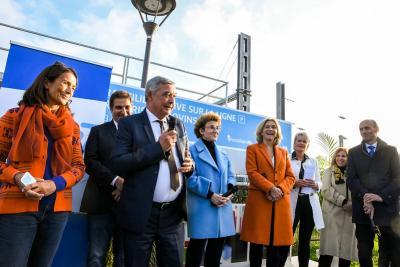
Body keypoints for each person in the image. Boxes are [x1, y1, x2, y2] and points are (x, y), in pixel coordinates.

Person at [0, 61, 85, 267]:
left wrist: (53, 184)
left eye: (73, 87)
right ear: (47, 83)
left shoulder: (72, 127)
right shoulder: (13, 116)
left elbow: (78, 168)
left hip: (57, 211)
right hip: (17, 207)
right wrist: (17, 177)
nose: (69, 90)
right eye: (65, 83)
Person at [110, 76, 193, 267]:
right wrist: (157, 148)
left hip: (173, 215)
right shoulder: (129, 124)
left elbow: (186, 156)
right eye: (166, 95)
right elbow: (118, 162)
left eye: (174, 95)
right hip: (141, 214)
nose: (172, 100)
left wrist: (190, 165)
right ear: (149, 96)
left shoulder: (178, 124)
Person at [80, 90, 132, 267]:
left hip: (128, 205)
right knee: (96, 255)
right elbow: (90, 162)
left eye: (127, 107)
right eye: (118, 107)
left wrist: (126, 186)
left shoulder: (140, 136)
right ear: (111, 109)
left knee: (124, 257)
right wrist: (116, 181)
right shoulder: (98, 131)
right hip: (101, 203)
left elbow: (143, 165)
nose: (123, 111)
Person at [240, 118, 296, 267]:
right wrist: (271, 188)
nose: (270, 129)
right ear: (261, 131)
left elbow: (290, 177)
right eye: (267, 127)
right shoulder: (252, 149)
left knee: (276, 246)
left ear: (277, 132)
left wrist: (280, 190)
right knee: (257, 244)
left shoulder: (283, 152)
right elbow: (252, 173)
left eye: (274, 127)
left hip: (280, 202)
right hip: (260, 201)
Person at [185, 112, 236, 267]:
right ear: (201, 130)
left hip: (222, 207)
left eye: (218, 128)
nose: (216, 131)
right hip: (202, 207)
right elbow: (190, 178)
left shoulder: (224, 154)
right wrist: (211, 195)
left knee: (215, 254)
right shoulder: (191, 151)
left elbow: (231, 177)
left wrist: (228, 193)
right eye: (212, 127)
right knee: (196, 252)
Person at [347, 119, 400, 267]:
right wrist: (366, 197)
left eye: (367, 128)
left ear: (376, 129)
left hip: (388, 211)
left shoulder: (391, 151)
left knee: (392, 253)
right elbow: (351, 179)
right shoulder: (353, 152)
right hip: (363, 210)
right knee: (364, 253)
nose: (364, 131)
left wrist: (381, 196)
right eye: (361, 129)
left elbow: (398, 178)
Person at [318, 147, 358, 267]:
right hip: (332, 215)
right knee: (327, 251)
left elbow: (358, 191)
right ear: (335, 157)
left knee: (346, 253)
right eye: (338, 155)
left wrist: (353, 204)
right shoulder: (328, 171)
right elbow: (325, 190)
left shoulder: (353, 173)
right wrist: (344, 201)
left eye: (343, 156)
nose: (340, 158)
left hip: (349, 215)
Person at [290, 132, 324, 267]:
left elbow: (320, 183)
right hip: (292, 201)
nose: (301, 143)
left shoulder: (313, 161)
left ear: (307, 145)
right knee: (287, 237)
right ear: (294, 143)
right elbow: (281, 180)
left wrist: (315, 185)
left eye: (304, 141)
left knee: (305, 240)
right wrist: (295, 183)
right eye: (299, 140)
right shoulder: (287, 159)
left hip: (309, 203)